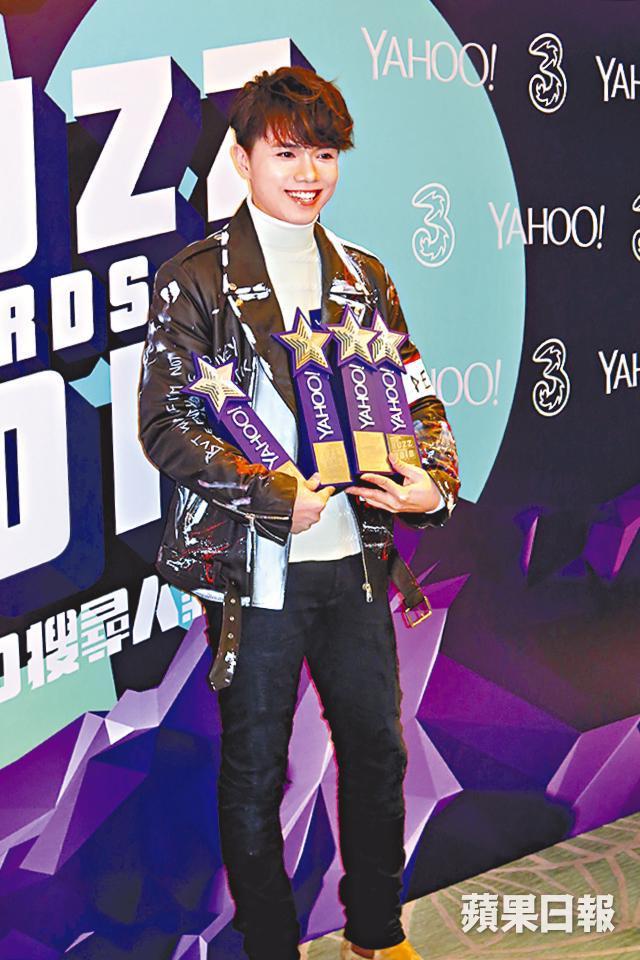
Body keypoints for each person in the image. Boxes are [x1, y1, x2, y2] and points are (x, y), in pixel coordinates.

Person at [138, 66, 459, 960]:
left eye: (323, 153)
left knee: (379, 754)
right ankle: (271, 947)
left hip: (356, 564)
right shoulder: (195, 279)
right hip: (256, 573)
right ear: (242, 160)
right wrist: (276, 498)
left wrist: (433, 482)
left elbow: (417, 396)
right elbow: (164, 424)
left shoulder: (363, 275)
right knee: (255, 774)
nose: (308, 173)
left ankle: (378, 936)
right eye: (286, 153)